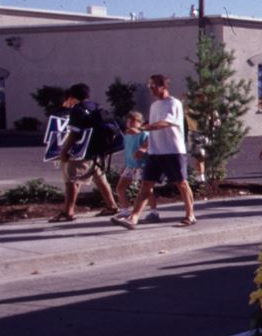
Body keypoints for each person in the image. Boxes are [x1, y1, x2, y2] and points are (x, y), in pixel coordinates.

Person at [113, 74, 196, 229]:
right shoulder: (154, 106)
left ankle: (190, 215)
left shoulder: (173, 103)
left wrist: (142, 128)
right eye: (149, 86)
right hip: (155, 152)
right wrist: (145, 146)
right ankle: (133, 218)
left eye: (153, 86)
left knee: (181, 183)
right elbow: (152, 129)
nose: (150, 89)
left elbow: (165, 123)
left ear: (163, 87)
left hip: (173, 150)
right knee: (146, 183)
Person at [49, 84, 119, 222]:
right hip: (98, 151)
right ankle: (112, 206)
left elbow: (74, 133)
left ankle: (68, 212)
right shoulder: (95, 106)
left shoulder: (77, 110)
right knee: (100, 178)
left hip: (83, 152)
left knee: (72, 180)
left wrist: (64, 151)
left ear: (72, 96)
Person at [113, 111, 160, 222]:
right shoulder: (127, 136)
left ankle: (154, 212)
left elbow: (149, 144)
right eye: (128, 121)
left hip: (142, 166)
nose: (130, 123)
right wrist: (125, 165)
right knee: (120, 188)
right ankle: (125, 211)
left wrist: (143, 149)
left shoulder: (145, 135)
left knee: (147, 190)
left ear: (140, 122)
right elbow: (128, 151)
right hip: (130, 166)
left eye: (133, 121)